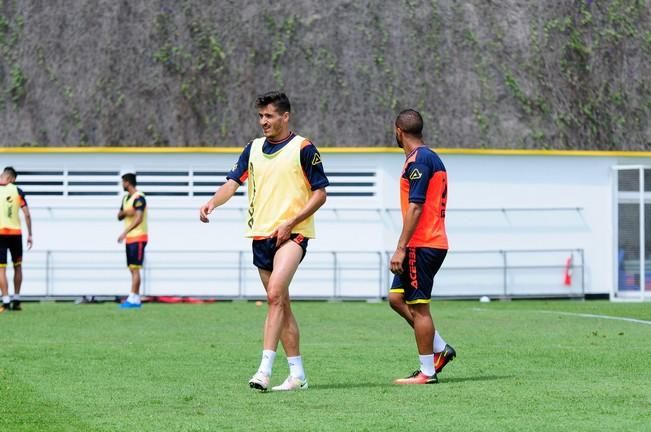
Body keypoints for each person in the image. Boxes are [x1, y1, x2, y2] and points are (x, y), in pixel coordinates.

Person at [199, 91, 329, 391]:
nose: (263, 121)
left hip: (293, 234)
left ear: (286, 116)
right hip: (260, 236)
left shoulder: (304, 148)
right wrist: (212, 203)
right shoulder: (253, 148)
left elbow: (320, 194)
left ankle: (264, 371)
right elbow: (232, 183)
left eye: (269, 116)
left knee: (273, 295)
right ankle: (298, 375)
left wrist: (291, 222)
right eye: (260, 116)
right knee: (281, 303)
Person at [389, 109, 455, 384]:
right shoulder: (427, 157)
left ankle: (427, 372)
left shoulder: (419, 161)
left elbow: (415, 207)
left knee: (419, 307)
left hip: (422, 243)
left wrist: (401, 247)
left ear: (398, 131)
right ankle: (440, 348)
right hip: (426, 242)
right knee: (396, 298)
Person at [0, 167, 33, 312]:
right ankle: (17, 299)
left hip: (0, 233)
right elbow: (27, 214)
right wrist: (30, 234)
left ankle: (6, 300)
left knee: (1, 269)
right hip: (16, 234)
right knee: (18, 266)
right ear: (13, 179)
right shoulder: (18, 192)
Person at [117, 173, 148, 309]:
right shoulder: (126, 198)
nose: (122, 185)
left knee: (135, 268)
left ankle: (133, 298)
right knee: (131, 268)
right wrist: (127, 212)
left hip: (139, 236)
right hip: (130, 239)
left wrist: (125, 232)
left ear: (128, 182)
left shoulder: (139, 197)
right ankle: (134, 297)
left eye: (123, 182)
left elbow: (138, 217)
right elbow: (119, 215)